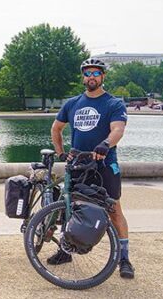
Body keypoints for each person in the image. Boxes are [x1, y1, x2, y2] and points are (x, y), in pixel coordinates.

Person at [50, 58, 134, 279]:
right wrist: (61, 153)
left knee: (114, 211)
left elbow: (118, 129)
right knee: (71, 208)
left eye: (96, 73)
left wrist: (106, 144)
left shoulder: (113, 104)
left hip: (105, 164)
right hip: (78, 164)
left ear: (103, 76)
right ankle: (65, 249)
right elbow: (56, 129)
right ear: (83, 77)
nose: (91, 77)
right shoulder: (72, 103)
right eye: (87, 73)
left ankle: (124, 258)